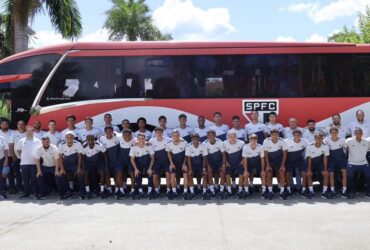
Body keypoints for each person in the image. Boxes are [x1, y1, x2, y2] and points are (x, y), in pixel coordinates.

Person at [34, 135, 68, 200]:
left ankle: (61, 194)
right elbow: (37, 159)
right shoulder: (39, 148)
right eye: (44, 142)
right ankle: (43, 194)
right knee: (39, 176)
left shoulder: (54, 148)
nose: (45, 143)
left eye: (47, 142)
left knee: (58, 177)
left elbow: (57, 159)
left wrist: (56, 170)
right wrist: (39, 171)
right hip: (44, 166)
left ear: (49, 142)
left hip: (54, 166)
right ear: (42, 142)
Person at [16, 126, 42, 199]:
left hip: (34, 163)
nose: (29, 132)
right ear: (25, 132)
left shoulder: (38, 141)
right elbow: (18, 150)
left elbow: (40, 152)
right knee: (25, 180)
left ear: (33, 132)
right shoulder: (21, 141)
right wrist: (22, 157)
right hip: (24, 163)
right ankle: (26, 194)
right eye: (27, 131)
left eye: (31, 131)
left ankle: (36, 194)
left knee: (34, 180)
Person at [58, 131, 84, 199]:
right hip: (66, 163)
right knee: (61, 175)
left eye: (71, 137)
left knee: (80, 174)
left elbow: (80, 156)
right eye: (68, 137)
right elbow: (60, 157)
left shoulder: (78, 144)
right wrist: (62, 169)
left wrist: (79, 168)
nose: (69, 138)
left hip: (74, 163)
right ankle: (67, 191)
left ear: (73, 138)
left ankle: (82, 192)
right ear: (65, 138)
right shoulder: (61, 145)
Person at [263, 129, 287, 200]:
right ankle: (270, 191)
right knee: (269, 173)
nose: (274, 136)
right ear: (270, 135)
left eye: (276, 134)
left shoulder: (283, 141)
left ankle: (282, 191)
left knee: (281, 172)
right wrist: (267, 165)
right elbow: (266, 154)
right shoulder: (266, 141)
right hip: (270, 159)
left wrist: (283, 165)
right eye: (273, 135)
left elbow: (285, 154)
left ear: (278, 135)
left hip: (279, 159)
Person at [81, 135, 108, 199]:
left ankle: (102, 191)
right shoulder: (84, 146)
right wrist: (83, 167)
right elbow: (82, 158)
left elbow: (105, 156)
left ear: (94, 139)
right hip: (88, 161)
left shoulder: (99, 145)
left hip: (98, 161)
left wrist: (106, 166)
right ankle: (88, 191)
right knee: (85, 174)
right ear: (86, 140)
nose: (90, 140)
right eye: (88, 139)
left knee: (102, 172)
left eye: (92, 138)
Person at [323, 127, 348, 198]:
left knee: (344, 174)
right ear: (330, 133)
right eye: (332, 132)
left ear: (338, 133)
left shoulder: (342, 139)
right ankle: (332, 190)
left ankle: (344, 190)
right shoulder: (326, 140)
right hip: (332, 159)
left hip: (341, 159)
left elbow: (346, 149)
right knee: (331, 175)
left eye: (335, 132)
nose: (334, 133)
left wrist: (345, 158)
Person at [346, 127, 370, 199]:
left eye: (360, 133)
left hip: (364, 163)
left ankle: (368, 192)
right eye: (357, 133)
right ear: (354, 134)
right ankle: (352, 192)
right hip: (352, 163)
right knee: (350, 177)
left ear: (362, 134)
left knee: (368, 176)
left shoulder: (367, 141)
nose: (358, 134)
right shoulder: (349, 141)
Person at [305, 132, 330, 199]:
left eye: (320, 138)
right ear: (314, 138)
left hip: (320, 162)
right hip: (311, 162)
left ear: (322, 138)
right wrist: (309, 170)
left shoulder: (326, 146)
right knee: (309, 174)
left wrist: (325, 169)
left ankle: (324, 192)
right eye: (317, 138)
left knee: (326, 174)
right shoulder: (309, 146)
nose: (318, 139)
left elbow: (325, 158)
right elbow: (309, 158)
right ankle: (311, 191)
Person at [129, 133, 155, 199]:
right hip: (138, 163)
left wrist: (150, 168)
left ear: (145, 139)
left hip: (147, 163)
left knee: (150, 175)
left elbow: (152, 158)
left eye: (143, 138)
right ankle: (140, 192)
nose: (141, 140)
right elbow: (132, 159)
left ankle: (149, 192)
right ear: (137, 139)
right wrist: (136, 169)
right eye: (139, 138)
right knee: (137, 175)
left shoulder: (149, 146)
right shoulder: (133, 148)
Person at [223, 129, 246, 199]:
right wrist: (226, 162)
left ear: (236, 137)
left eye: (234, 136)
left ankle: (240, 191)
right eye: (231, 136)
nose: (232, 138)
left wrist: (242, 162)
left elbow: (245, 154)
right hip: (229, 164)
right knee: (227, 176)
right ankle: (229, 191)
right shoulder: (224, 143)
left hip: (239, 163)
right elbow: (224, 154)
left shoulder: (242, 143)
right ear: (228, 137)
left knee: (241, 176)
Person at [285, 130, 308, 196]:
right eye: (295, 135)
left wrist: (304, 160)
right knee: (288, 174)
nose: (297, 136)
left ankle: (301, 189)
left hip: (299, 160)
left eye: (298, 135)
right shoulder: (287, 141)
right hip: (289, 160)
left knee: (302, 173)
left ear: (300, 136)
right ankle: (290, 189)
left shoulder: (305, 141)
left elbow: (307, 152)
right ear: (293, 136)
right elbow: (284, 151)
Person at [149, 127, 170, 199]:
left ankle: (168, 191)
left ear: (162, 132)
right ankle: (157, 190)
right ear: (155, 133)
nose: (159, 133)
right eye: (157, 132)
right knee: (155, 176)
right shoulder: (151, 141)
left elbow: (177, 140)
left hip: (166, 161)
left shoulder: (168, 139)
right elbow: (145, 144)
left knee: (168, 175)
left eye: (160, 132)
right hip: (157, 162)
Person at [185, 133, 208, 200]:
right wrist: (190, 169)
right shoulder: (188, 146)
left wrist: (204, 169)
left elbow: (204, 158)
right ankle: (192, 192)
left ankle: (204, 192)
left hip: (201, 164)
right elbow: (188, 158)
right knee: (190, 175)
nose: (195, 139)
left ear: (199, 138)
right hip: (192, 164)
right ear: (191, 139)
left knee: (204, 175)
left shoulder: (203, 146)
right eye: (193, 138)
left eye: (196, 138)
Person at [203, 130, 226, 196]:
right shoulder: (205, 143)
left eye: (212, 135)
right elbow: (205, 156)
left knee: (222, 173)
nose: (211, 137)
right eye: (209, 135)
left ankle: (221, 191)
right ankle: (212, 191)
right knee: (209, 173)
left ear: (215, 136)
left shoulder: (220, 142)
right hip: (210, 162)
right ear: (207, 136)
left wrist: (223, 165)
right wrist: (208, 166)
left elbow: (223, 154)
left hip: (219, 162)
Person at [166, 129, 187, 200]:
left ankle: (185, 192)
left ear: (179, 136)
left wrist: (184, 164)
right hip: (174, 163)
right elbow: (168, 153)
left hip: (183, 162)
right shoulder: (168, 144)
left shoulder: (184, 143)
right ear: (171, 136)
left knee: (185, 175)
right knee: (172, 176)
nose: (175, 137)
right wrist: (171, 163)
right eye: (174, 136)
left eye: (177, 135)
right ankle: (174, 192)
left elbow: (187, 155)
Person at [242, 134, 265, 198]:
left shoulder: (261, 147)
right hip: (249, 161)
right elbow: (245, 159)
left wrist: (263, 170)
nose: (253, 141)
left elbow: (262, 159)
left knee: (263, 174)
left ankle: (263, 191)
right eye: (251, 140)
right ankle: (247, 191)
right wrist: (245, 170)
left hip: (258, 162)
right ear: (249, 140)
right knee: (246, 174)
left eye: (254, 140)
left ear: (257, 140)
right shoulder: (245, 147)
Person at [99, 126, 120, 197]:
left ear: (112, 131)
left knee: (116, 175)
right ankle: (110, 190)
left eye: (110, 131)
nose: (109, 132)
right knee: (107, 175)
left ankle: (117, 190)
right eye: (107, 131)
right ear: (105, 132)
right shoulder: (101, 138)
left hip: (116, 161)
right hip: (107, 161)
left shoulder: (118, 138)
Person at [117, 129, 136, 198]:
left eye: (128, 135)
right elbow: (113, 132)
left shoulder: (134, 140)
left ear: (131, 135)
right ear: (122, 135)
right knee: (119, 174)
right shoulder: (119, 137)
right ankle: (121, 191)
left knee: (132, 175)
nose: (126, 137)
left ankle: (133, 190)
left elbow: (142, 141)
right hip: (121, 160)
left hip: (130, 160)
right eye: (125, 135)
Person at [8, 119, 26, 193]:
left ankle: (27, 187)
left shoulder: (27, 133)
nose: (21, 126)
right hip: (17, 157)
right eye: (19, 124)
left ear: (24, 125)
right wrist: (13, 156)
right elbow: (11, 145)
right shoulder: (14, 134)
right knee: (17, 173)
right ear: (17, 126)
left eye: (22, 124)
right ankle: (20, 187)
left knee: (25, 173)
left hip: (26, 158)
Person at [0, 134, 9, 199]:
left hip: (1, 159)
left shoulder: (1, 137)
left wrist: (6, 159)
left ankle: (2, 192)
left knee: (2, 177)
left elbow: (6, 149)